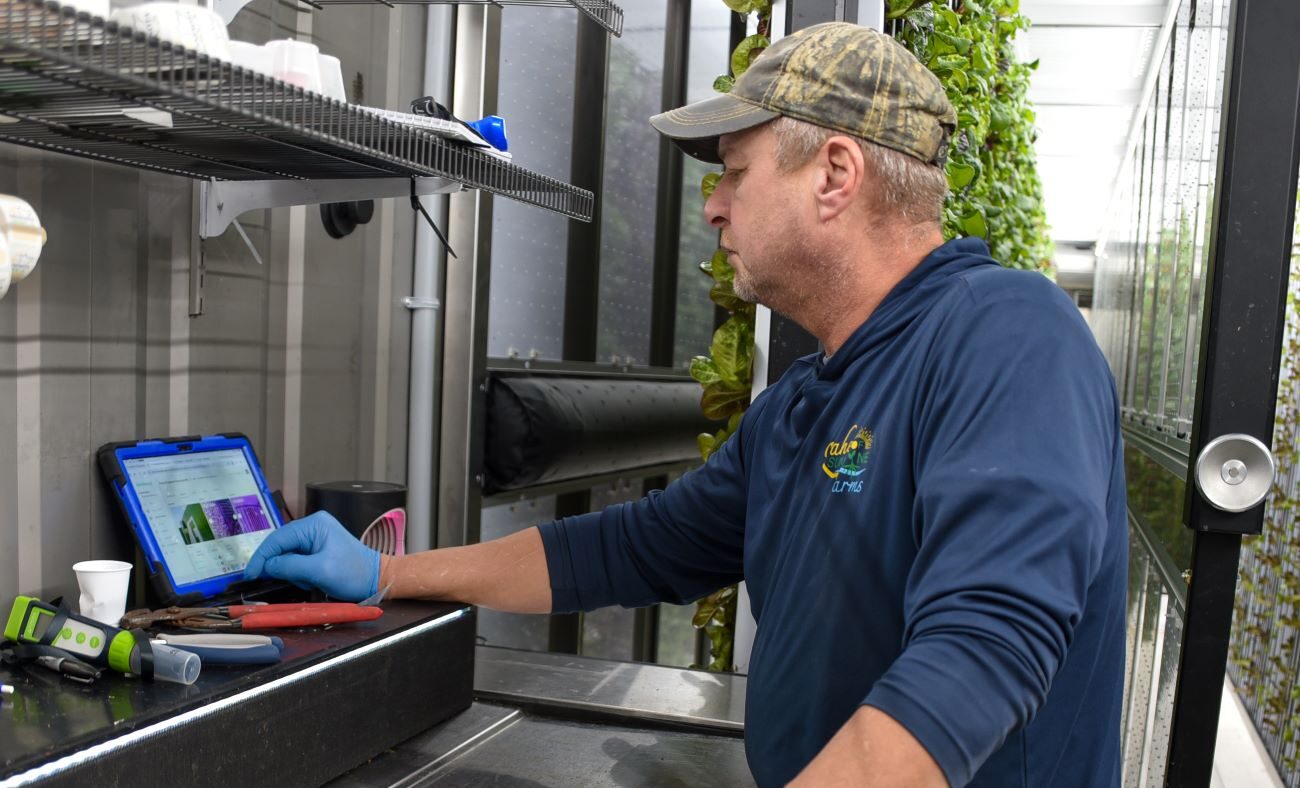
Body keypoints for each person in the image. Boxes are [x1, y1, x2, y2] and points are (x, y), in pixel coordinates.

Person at [245, 22, 1126, 788]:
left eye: (735, 173)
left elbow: (982, 650)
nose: (712, 206)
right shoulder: (799, 410)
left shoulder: (1006, 334)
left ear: (835, 174)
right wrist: (390, 576)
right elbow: (633, 547)